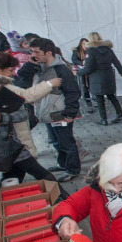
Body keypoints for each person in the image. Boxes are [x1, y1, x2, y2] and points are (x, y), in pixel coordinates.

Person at [0, 65, 62, 187]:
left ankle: (65, 199)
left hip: (10, 145)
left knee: (41, 174)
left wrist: (1, 117)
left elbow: (23, 114)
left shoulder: (2, 92)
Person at [0, 51, 62, 158]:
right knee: (23, 162)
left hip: (13, 131)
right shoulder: (2, 85)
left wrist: (30, 64)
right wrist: (49, 84)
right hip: (14, 132)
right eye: (10, 70)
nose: (13, 73)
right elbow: (25, 95)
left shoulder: (0, 81)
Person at [30, 38, 81, 182]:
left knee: (67, 142)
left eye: (36, 52)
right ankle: (63, 164)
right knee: (56, 141)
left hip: (60, 114)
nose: (33, 55)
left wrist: (70, 114)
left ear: (48, 52)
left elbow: (73, 92)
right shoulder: (40, 67)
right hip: (48, 114)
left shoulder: (61, 69)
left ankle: (73, 169)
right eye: (32, 51)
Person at [76, 32, 122, 126]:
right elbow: (116, 62)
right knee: (112, 97)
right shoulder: (108, 49)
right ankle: (120, 116)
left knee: (99, 98)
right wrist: (121, 71)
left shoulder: (91, 51)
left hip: (97, 78)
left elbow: (88, 68)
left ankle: (104, 119)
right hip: (108, 76)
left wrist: (78, 72)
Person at [70, 38, 94, 113]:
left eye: (86, 43)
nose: (85, 45)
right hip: (81, 73)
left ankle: (92, 101)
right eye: (83, 44)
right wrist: (81, 63)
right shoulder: (76, 51)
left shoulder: (90, 51)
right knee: (83, 87)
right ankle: (87, 103)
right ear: (80, 44)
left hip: (90, 72)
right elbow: (74, 60)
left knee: (91, 86)